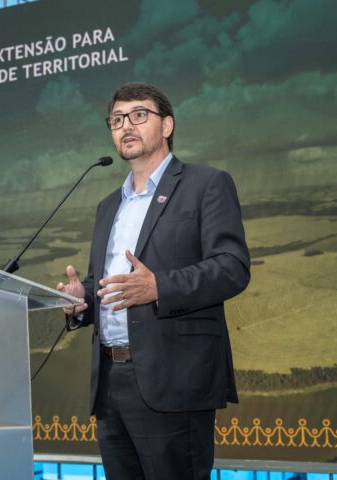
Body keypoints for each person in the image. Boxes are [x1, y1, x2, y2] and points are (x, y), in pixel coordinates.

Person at [57, 83, 250, 479]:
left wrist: (160, 286)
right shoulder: (108, 205)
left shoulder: (206, 185)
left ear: (167, 126)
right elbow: (108, 284)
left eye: (139, 115)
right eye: (116, 119)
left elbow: (232, 267)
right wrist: (84, 301)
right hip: (110, 382)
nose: (126, 125)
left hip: (174, 380)